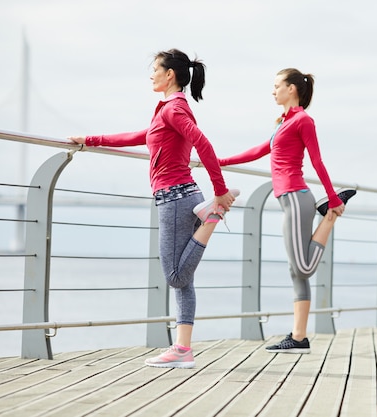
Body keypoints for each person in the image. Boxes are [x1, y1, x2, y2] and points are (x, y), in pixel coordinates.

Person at [69, 48, 238, 368]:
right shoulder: (168, 110)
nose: (151, 75)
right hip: (182, 195)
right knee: (184, 281)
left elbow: (204, 144)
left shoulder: (174, 110)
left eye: (155, 69)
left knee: (175, 276)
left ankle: (212, 217)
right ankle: (183, 350)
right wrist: (90, 138)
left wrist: (220, 193)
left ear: (169, 74)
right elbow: (138, 136)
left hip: (174, 198)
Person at [219, 68, 356, 354]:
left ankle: (328, 218)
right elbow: (259, 150)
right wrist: (221, 161)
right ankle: (299, 337)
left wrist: (332, 200)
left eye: (277, 85)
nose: (273, 90)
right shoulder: (284, 123)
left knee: (304, 267)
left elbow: (317, 161)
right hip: (290, 199)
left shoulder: (304, 120)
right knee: (297, 272)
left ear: (292, 89)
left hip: (296, 197)